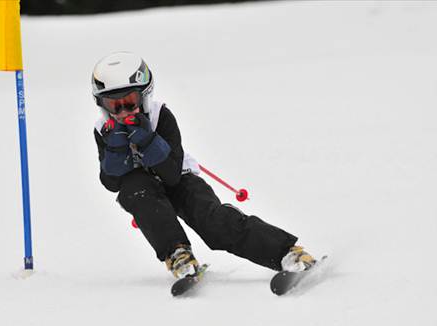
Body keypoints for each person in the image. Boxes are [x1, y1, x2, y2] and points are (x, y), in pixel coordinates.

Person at [91, 52, 316, 280]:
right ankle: (178, 255)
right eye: (114, 105)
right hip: (143, 188)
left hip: (181, 179)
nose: (122, 112)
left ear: (145, 96)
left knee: (212, 221)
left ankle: (287, 253)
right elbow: (111, 183)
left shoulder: (161, 116)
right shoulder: (104, 131)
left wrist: (148, 139)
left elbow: (171, 175)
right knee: (136, 192)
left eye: (129, 102)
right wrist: (116, 148)